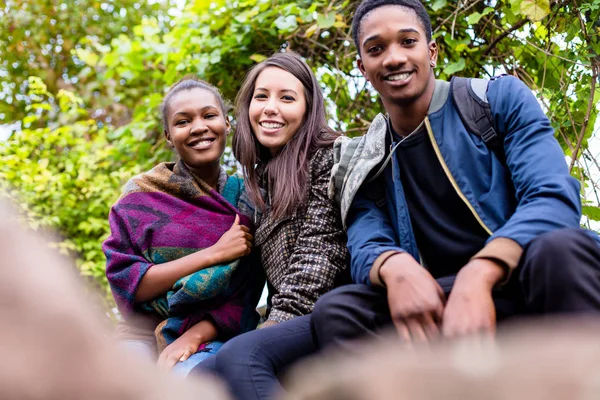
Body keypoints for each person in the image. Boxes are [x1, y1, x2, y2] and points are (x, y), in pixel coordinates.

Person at [311, 0, 600, 348]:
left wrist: (480, 271)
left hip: (524, 273)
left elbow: (552, 197)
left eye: (408, 41)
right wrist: (393, 266)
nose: (393, 58)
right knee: (339, 311)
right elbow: (365, 242)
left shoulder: (496, 101)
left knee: (562, 248)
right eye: (376, 49)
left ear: (431, 52)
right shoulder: (365, 159)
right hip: (439, 300)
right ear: (362, 66)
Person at [196, 52, 349, 399]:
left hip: (333, 312)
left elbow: (319, 258)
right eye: (261, 96)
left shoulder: (328, 157)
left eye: (287, 98)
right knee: (199, 376)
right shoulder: (261, 185)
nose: (270, 107)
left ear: (308, 109)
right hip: (292, 318)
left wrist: (271, 326)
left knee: (241, 356)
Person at [102, 77, 264, 376]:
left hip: (214, 334)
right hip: (139, 334)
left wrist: (193, 337)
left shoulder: (248, 199)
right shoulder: (140, 197)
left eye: (209, 115)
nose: (199, 127)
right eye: (183, 121)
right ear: (168, 135)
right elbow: (129, 282)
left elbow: (247, 292)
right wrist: (215, 253)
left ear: (227, 123)